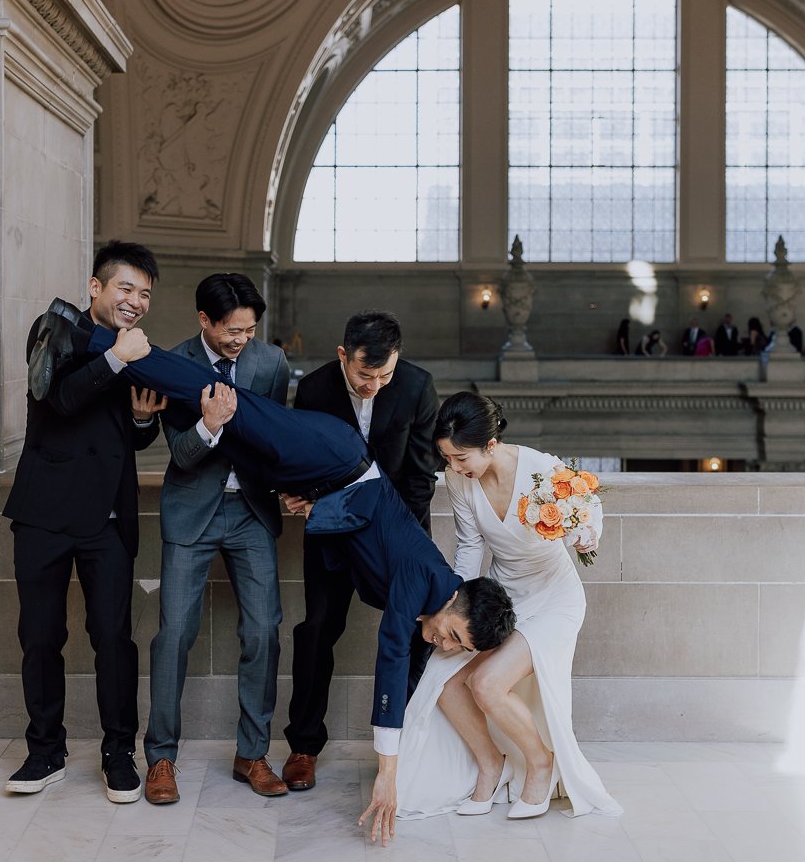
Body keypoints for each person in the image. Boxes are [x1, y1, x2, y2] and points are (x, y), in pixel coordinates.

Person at [76, 319, 515, 846]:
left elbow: (411, 666)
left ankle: (98, 351)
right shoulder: (423, 584)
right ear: (459, 603)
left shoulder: (437, 602)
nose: (445, 644)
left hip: (328, 481)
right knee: (224, 401)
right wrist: (387, 776)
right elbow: (391, 655)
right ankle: (94, 339)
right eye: (455, 636)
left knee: (224, 422)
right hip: (335, 458)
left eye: (454, 647)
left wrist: (319, 505)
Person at [394, 393, 623, 822]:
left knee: (486, 684)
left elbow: (588, 513)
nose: (455, 468)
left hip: (554, 599)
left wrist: (584, 535)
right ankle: (490, 763)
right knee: (446, 684)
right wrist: (455, 604)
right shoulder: (460, 481)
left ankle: (540, 761)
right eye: (447, 458)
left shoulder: (542, 470)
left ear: (490, 445)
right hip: (503, 598)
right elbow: (469, 546)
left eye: (461, 458)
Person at [1, 241, 167, 802]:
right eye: (126, 288)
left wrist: (143, 421)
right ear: (96, 287)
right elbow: (60, 401)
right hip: (44, 512)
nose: (136, 301)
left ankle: (119, 753)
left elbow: (123, 436)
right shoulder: (53, 330)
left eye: (145, 293)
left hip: (109, 517)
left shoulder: (131, 349)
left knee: (114, 640)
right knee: (40, 637)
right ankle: (44, 751)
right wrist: (118, 358)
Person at [143, 274, 291, 805]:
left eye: (250, 330)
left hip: (251, 512)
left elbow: (273, 438)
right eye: (232, 330)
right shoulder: (172, 362)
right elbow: (180, 455)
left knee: (264, 632)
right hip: (192, 514)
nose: (241, 340)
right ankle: (161, 757)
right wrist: (208, 426)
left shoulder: (271, 364)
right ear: (204, 321)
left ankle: (252, 753)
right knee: (174, 635)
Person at [284, 311, 439, 792]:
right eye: (364, 374)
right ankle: (304, 746)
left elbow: (418, 479)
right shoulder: (314, 390)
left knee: (417, 634)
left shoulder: (417, 387)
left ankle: (409, 742)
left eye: (385, 374)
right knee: (317, 630)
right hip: (331, 533)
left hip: (397, 535)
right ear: (342, 356)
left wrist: (395, 542)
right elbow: (302, 460)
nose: (374, 384)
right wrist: (301, 496)